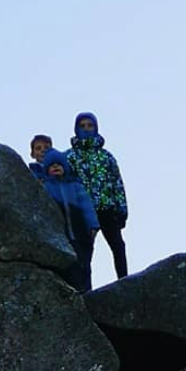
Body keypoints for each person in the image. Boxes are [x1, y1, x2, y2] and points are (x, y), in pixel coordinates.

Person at [66, 112, 128, 279]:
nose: (86, 129)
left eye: (90, 125)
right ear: (76, 129)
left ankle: (124, 279)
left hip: (106, 207)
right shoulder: (70, 156)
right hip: (84, 210)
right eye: (83, 126)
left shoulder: (106, 156)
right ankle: (85, 285)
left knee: (118, 245)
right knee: (86, 248)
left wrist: (122, 210)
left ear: (96, 128)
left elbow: (117, 182)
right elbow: (66, 182)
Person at [42, 148, 99, 292]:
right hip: (63, 233)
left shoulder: (75, 186)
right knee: (69, 265)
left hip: (80, 232)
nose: (56, 167)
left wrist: (93, 225)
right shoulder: (46, 187)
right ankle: (71, 291)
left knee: (84, 263)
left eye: (59, 165)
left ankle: (86, 291)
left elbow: (87, 206)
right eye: (52, 165)